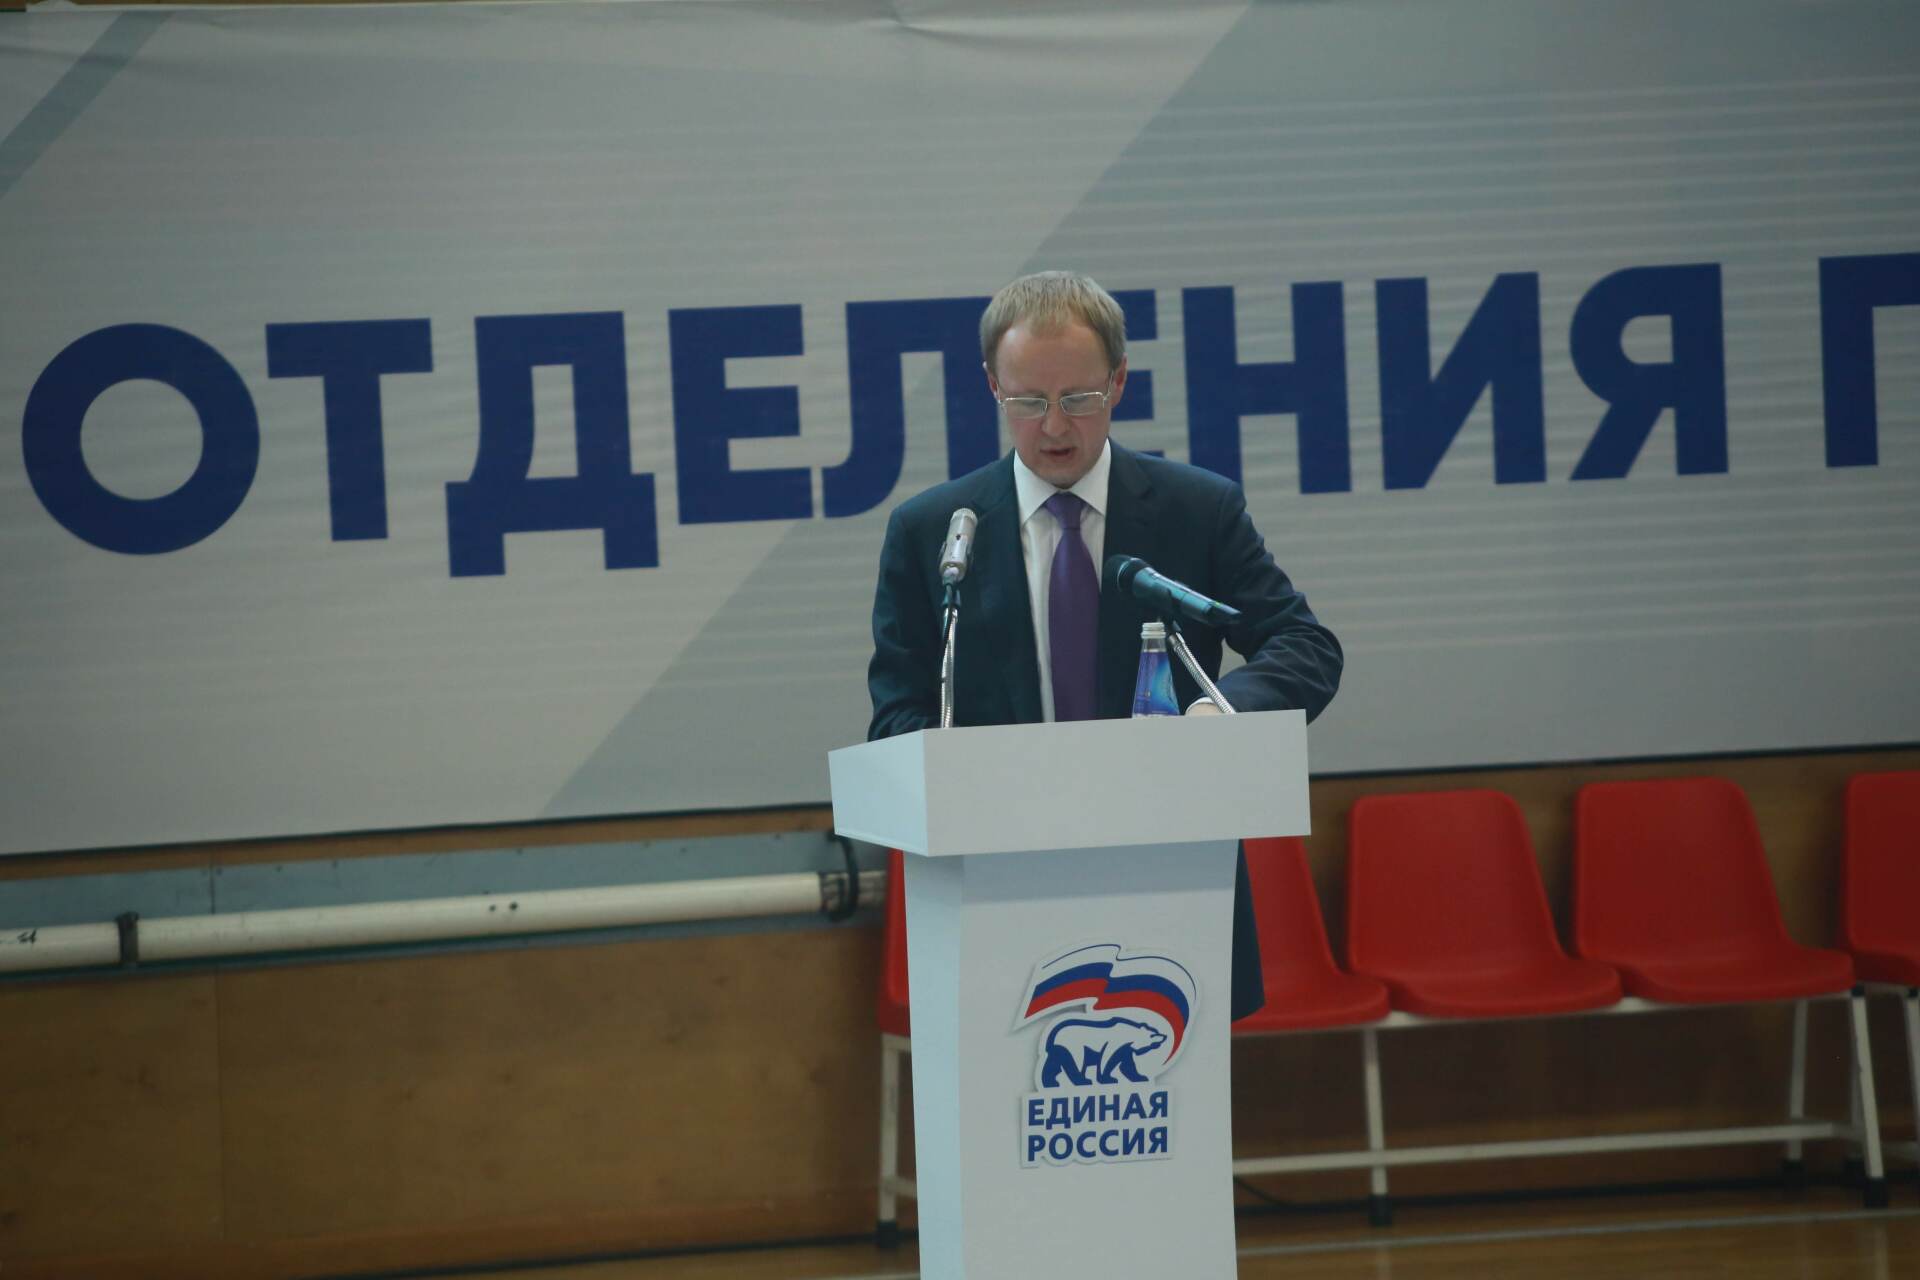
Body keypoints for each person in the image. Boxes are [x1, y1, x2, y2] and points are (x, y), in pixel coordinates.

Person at [864, 270, 1342, 1020]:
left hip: (1170, 881)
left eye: (1078, 398)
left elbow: (1304, 645)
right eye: (1028, 402)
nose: (1054, 427)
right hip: (999, 891)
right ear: (992, 388)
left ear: (1119, 382)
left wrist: (1222, 713)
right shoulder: (936, 534)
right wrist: (981, 778)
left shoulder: (1195, 510)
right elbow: (897, 716)